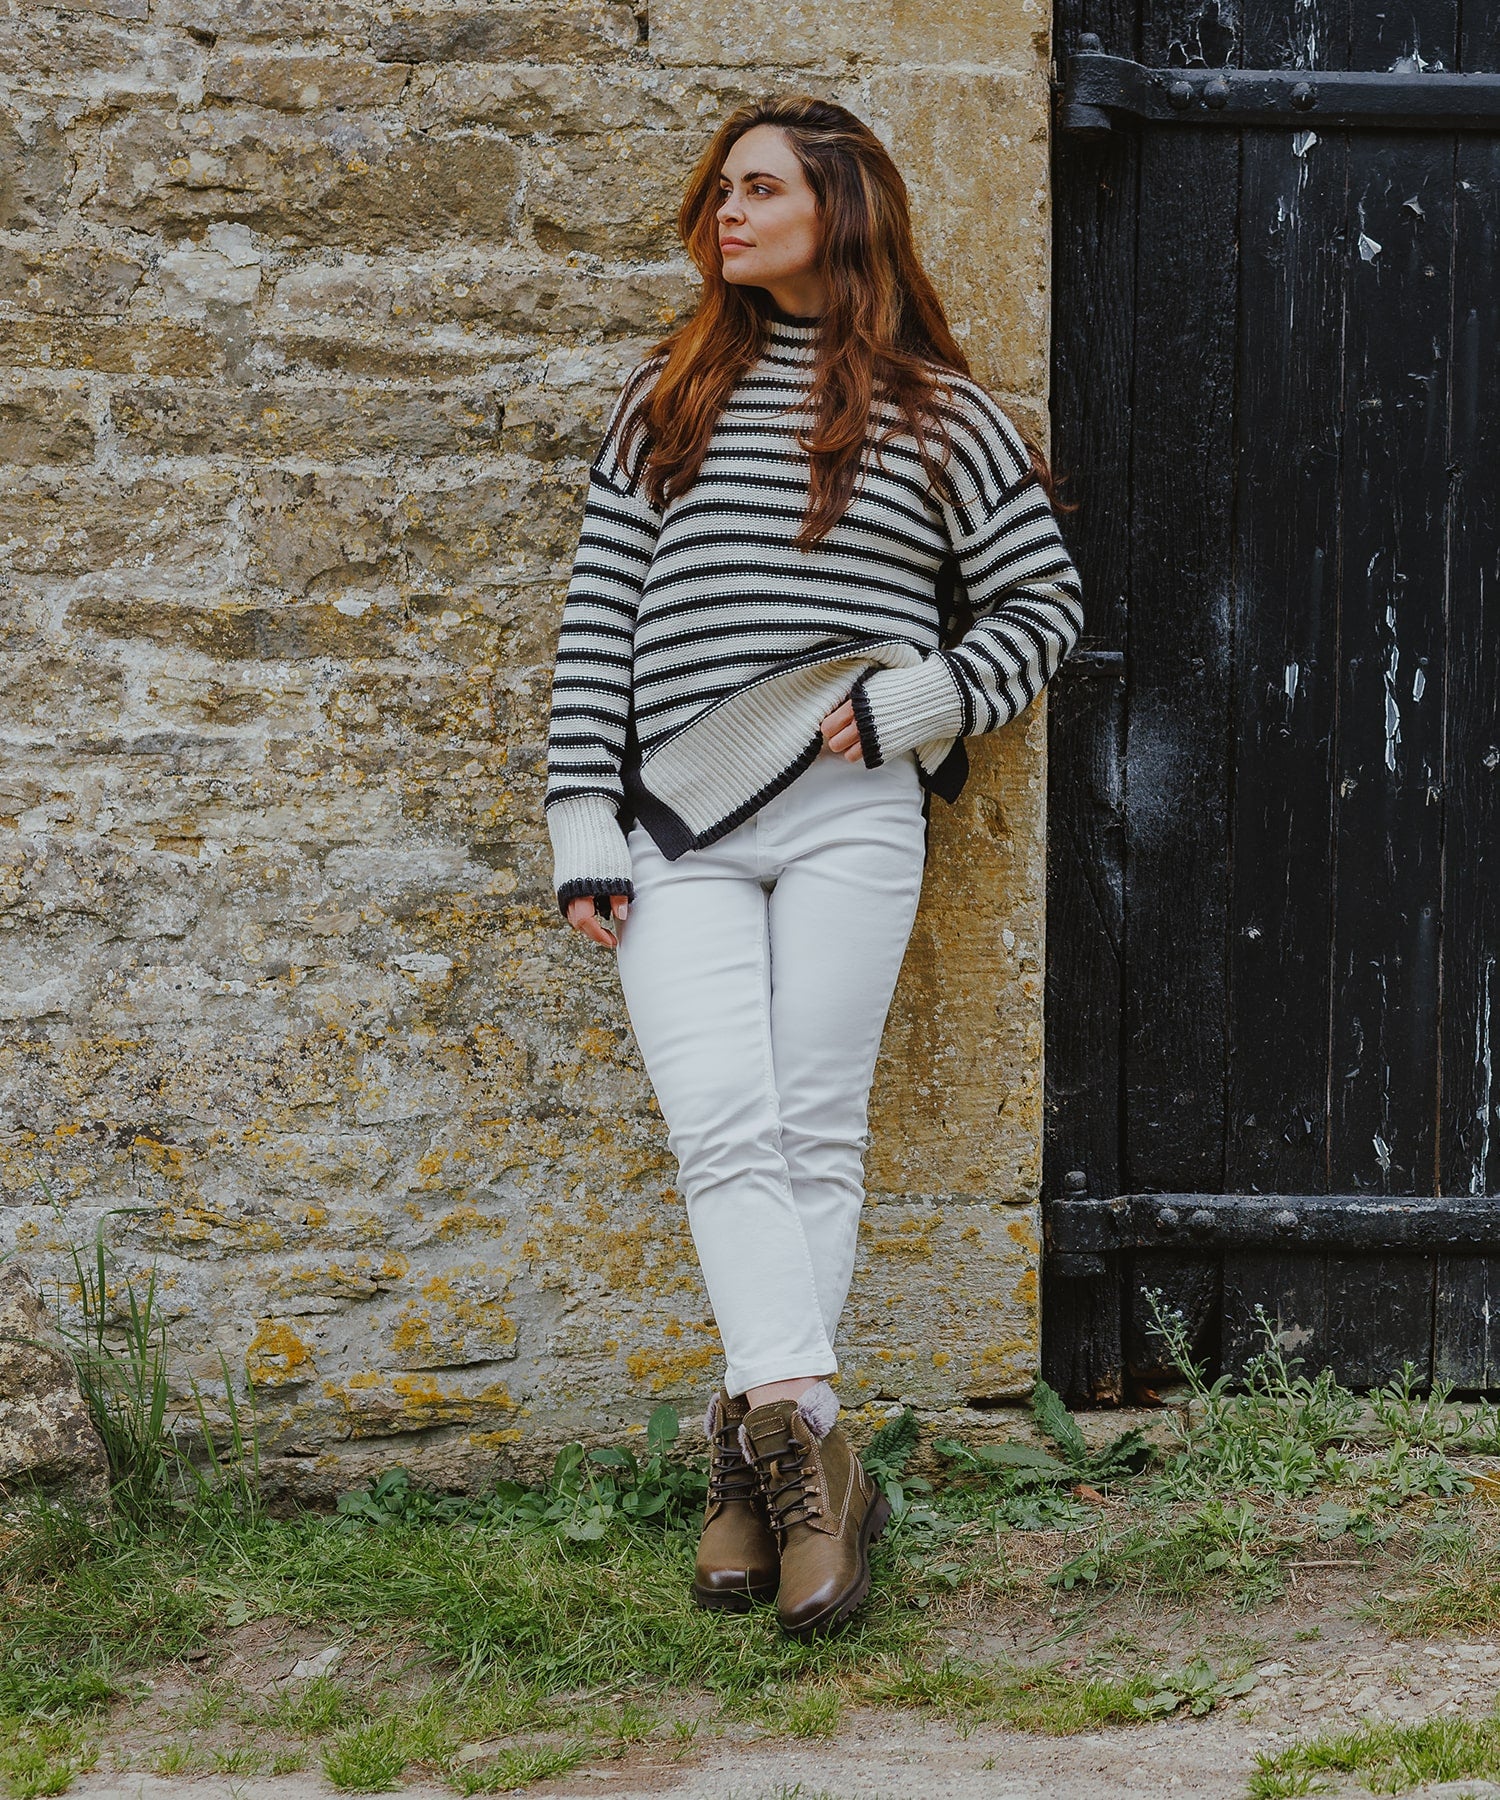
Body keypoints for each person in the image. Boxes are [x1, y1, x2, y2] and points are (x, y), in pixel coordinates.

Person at [541, 93, 1084, 1638]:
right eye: (720, 189)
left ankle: (746, 1464)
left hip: (853, 811)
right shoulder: (668, 401)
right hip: (677, 820)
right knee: (724, 1119)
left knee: (812, 1127)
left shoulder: (942, 418)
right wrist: (585, 821)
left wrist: (916, 701)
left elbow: (1039, 610)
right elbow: (596, 628)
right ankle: (814, 1447)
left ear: (841, 208)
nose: (727, 209)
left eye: (761, 187)